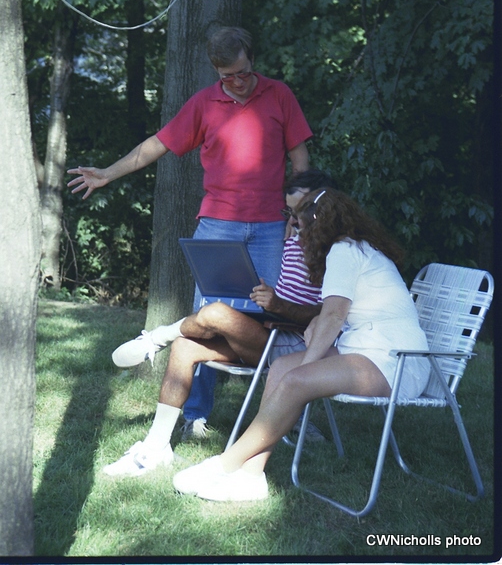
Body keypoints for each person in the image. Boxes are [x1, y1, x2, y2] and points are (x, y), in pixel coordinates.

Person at [68, 27, 312, 438]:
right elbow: (157, 144)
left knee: (281, 315)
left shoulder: (279, 95)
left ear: (252, 61)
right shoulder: (204, 103)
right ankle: (195, 416)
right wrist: (107, 173)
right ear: (216, 71)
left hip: (273, 225)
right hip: (218, 225)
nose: (238, 81)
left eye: (243, 72)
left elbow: (300, 157)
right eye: (228, 76)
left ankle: (291, 420)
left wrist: (299, 213)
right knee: (207, 318)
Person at [171, 187, 431, 502]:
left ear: (319, 224)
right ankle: (252, 476)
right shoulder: (351, 248)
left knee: (296, 378)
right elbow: (331, 313)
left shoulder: (344, 251)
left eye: (301, 226)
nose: (297, 234)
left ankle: (225, 464)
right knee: (282, 367)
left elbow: (334, 316)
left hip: (398, 361)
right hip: (366, 348)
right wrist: (314, 331)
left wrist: (308, 365)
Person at [102, 169, 336, 477]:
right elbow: (287, 297)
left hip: (295, 347)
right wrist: (262, 300)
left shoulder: (339, 252)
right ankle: (155, 448)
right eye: (288, 213)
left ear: (324, 208)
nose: (292, 222)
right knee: (185, 347)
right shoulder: (293, 242)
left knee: (215, 313)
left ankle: (158, 338)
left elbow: (330, 314)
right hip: (269, 333)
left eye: (299, 213)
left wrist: (278, 306)